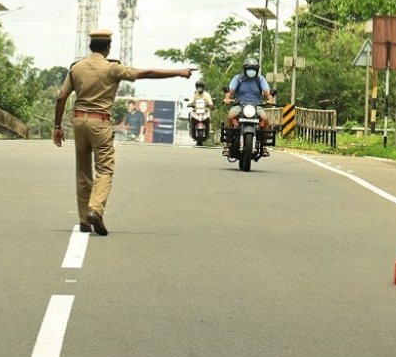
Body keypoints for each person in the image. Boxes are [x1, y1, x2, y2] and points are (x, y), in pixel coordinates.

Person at [53, 30, 195, 235]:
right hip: (99, 123)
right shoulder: (112, 68)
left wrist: (57, 127)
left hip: (78, 122)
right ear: (108, 48)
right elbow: (146, 73)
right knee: (104, 169)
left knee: (83, 171)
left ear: (91, 47)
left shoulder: (77, 68)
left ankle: (84, 220)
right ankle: (95, 209)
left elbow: (61, 97)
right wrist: (179, 72)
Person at [223, 57, 274, 125]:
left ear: (257, 70)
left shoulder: (260, 79)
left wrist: (270, 100)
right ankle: (229, 135)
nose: (251, 71)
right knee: (230, 117)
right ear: (245, 70)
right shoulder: (238, 78)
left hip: (257, 106)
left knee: (265, 119)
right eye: (249, 69)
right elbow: (230, 91)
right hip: (239, 106)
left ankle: (265, 135)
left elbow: (267, 92)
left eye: (253, 70)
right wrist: (227, 99)